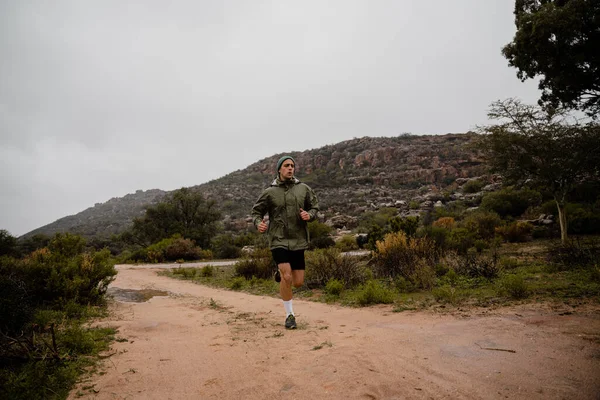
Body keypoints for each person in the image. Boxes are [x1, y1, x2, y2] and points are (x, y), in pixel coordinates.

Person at [251, 156, 319, 329]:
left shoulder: (303, 189)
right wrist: (258, 223)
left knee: (298, 282)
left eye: (292, 166)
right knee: (287, 276)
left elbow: (314, 207)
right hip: (278, 239)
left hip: (298, 239)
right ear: (279, 169)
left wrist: (309, 215)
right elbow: (256, 212)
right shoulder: (269, 192)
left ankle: (280, 274)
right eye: (287, 166)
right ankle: (290, 315)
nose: (290, 168)